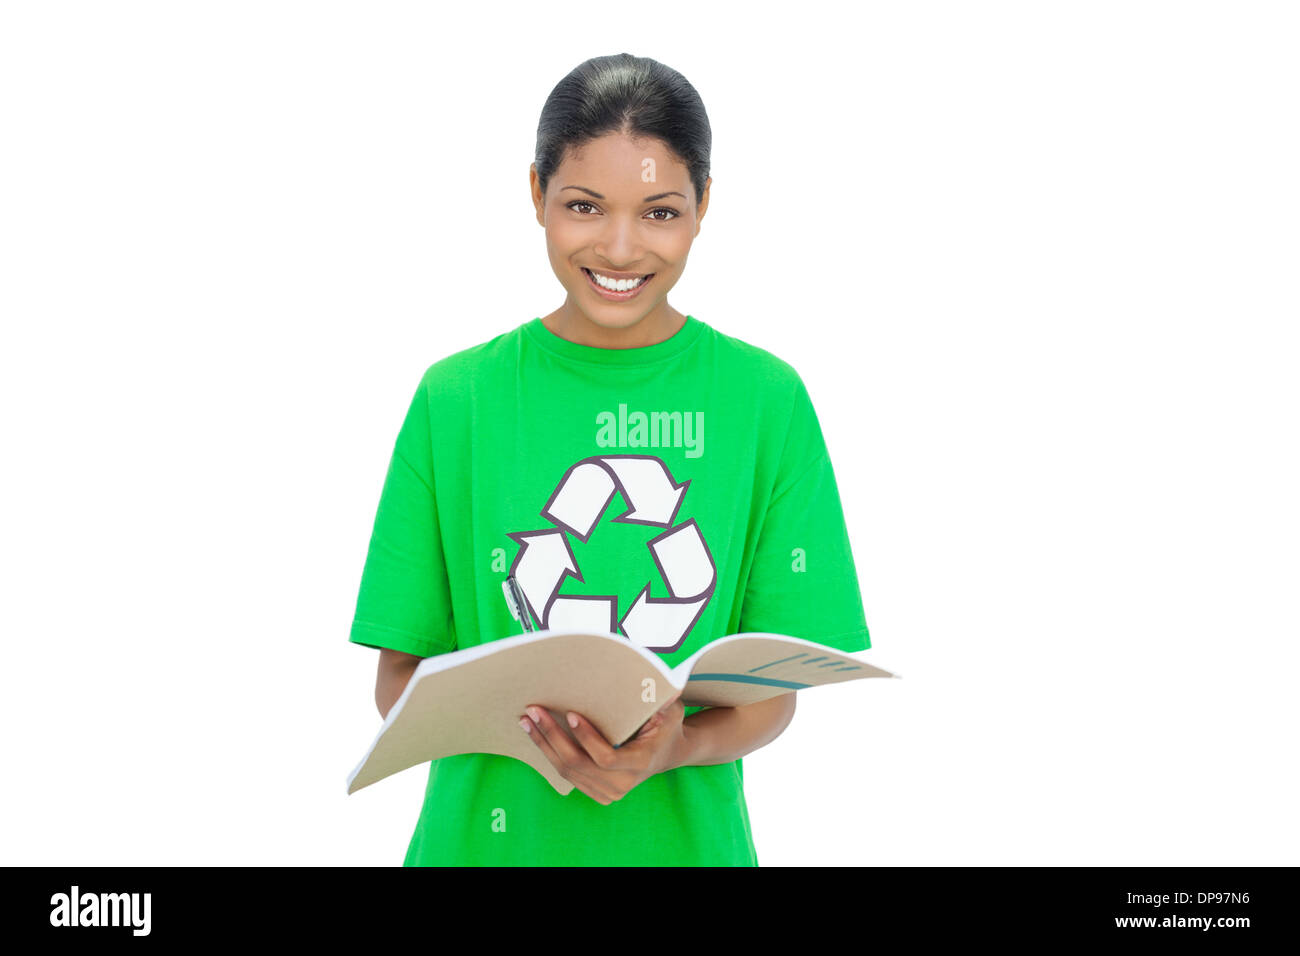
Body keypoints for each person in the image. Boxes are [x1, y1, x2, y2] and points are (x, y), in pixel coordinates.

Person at [349, 53, 872, 866]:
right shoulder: (458, 399)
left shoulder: (766, 401)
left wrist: (676, 747)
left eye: (659, 212)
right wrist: (522, 731)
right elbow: (399, 682)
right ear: (536, 197)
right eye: (585, 206)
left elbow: (769, 694)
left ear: (704, 205)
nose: (621, 248)